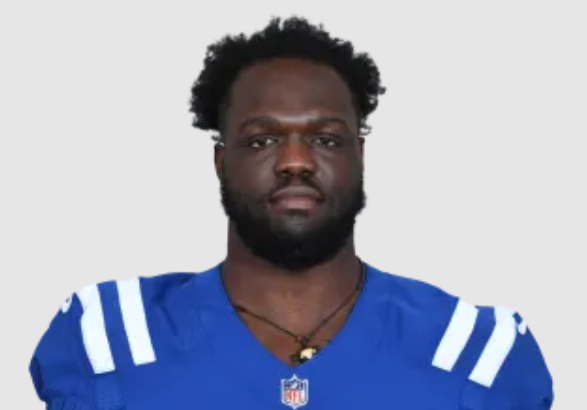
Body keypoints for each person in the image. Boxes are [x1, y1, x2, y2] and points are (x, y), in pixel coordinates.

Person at [29, 17, 554, 410]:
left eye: (326, 139)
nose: (296, 161)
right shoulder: (110, 337)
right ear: (221, 160)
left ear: (360, 155)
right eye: (262, 140)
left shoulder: (474, 351)